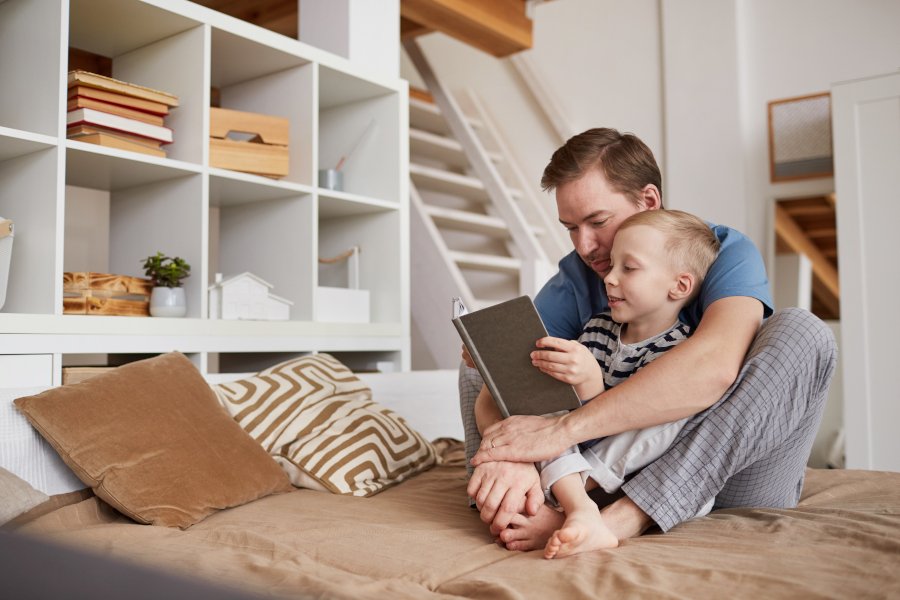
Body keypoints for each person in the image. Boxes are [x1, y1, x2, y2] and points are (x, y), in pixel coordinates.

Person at [461, 127, 836, 552]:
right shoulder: (581, 274)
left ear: (649, 201)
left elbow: (713, 370)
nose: (585, 245)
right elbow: (508, 379)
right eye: (570, 228)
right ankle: (531, 501)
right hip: (600, 473)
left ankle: (620, 521)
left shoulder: (724, 251)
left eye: (598, 221)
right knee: (481, 362)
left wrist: (559, 432)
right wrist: (514, 458)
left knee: (803, 332)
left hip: (731, 475)